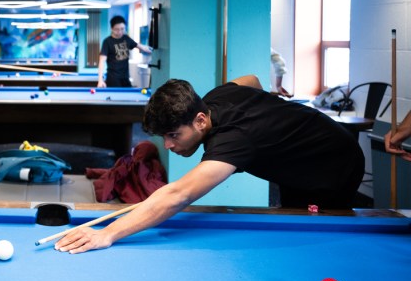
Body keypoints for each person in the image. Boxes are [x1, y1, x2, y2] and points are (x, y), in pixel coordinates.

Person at [54, 75, 365, 254]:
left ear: (201, 120)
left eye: (174, 135)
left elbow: (178, 195)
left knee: (314, 242)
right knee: (294, 219)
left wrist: (107, 234)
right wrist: (274, 114)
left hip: (334, 164)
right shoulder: (215, 97)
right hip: (301, 158)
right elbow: (251, 81)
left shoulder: (235, 140)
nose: (169, 146)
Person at [97, 15, 151, 88]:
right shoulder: (107, 42)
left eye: (122, 29)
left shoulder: (126, 39)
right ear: (111, 29)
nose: (120, 32)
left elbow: (142, 47)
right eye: (117, 29)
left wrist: (153, 51)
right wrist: (100, 80)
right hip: (113, 79)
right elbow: (102, 61)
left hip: (125, 78)